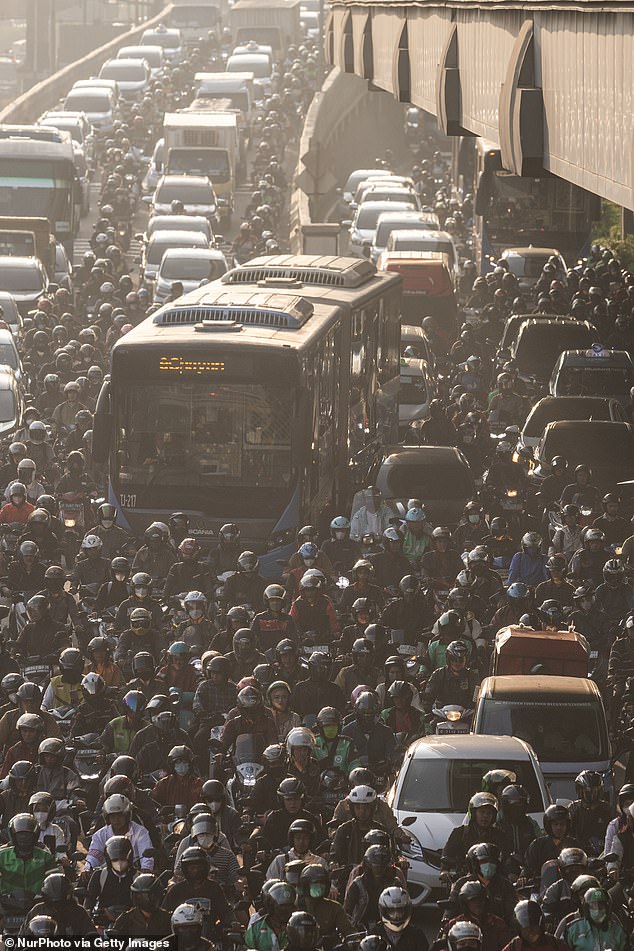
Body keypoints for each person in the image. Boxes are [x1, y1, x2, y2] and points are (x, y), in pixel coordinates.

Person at [441, 793, 508, 878]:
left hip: (492, 881)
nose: (485, 816)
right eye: (482, 812)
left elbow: (506, 858)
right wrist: (444, 870)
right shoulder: (460, 832)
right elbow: (448, 853)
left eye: (489, 813)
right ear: (474, 813)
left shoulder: (499, 835)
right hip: (464, 879)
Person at [85, 793, 153, 874]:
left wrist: (146, 868)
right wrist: (88, 868)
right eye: (113, 816)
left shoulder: (140, 832)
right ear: (108, 818)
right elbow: (94, 855)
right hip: (107, 875)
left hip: (133, 875)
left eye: (120, 815)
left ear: (127, 815)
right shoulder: (99, 835)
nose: (117, 820)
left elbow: (145, 854)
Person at [0, 813, 58, 898]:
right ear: (13, 836)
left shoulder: (46, 857)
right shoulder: (2, 856)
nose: (24, 837)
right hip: (6, 904)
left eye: (28, 834)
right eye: (20, 834)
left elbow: (54, 884)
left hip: (38, 903)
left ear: (35, 835)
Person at [25, 871, 97, 935]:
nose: (57, 908)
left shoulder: (79, 912)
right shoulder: (37, 910)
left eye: (61, 903)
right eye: (53, 904)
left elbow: (90, 933)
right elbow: (23, 935)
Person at [559, 886, 628, 951]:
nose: (597, 910)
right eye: (593, 906)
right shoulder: (572, 930)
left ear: (607, 908)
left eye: (601, 906)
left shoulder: (619, 931)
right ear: (587, 909)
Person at [423, 640, 480, 714]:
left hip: (466, 715)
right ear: (448, 660)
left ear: (466, 660)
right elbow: (429, 695)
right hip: (441, 714)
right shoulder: (438, 674)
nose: (457, 663)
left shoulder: (473, 676)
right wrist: (427, 710)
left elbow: (477, 699)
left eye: (461, 660)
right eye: (454, 659)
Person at [502, 899, 570, 951]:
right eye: (525, 928)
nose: (530, 931)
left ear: (541, 925)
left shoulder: (555, 944)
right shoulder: (514, 947)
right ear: (519, 929)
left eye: (534, 926)